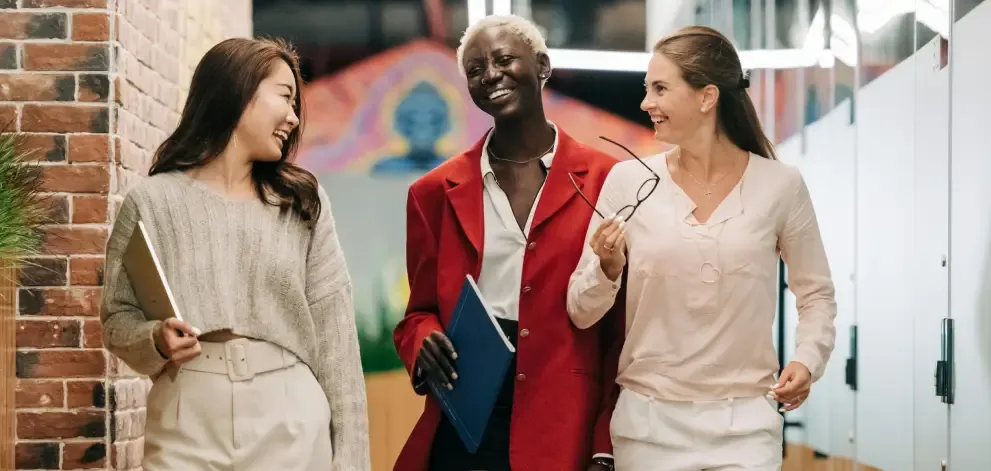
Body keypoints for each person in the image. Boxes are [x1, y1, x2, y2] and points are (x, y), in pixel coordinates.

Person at [567, 26, 837, 470]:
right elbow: (581, 309)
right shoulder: (627, 182)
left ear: (706, 97)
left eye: (659, 89)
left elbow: (816, 294)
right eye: (646, 88)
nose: (644, 103)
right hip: (647, 428)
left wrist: (808, 360)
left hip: (746, 428)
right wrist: (606, 269)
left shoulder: (780, 186)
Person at [99, 37, 370, 471]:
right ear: (239, 90)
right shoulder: (150, 203)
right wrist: (155, 339)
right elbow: (116, 320)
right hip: (185, 413)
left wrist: (353, 461)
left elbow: (338, 344)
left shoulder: (302, 203)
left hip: (291, 416)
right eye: (285, 96)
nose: (294, 117)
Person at [392, 14, 626, 471]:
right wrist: (422, 340)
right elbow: (417, 313)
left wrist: (605, 443)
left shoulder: (606, 180)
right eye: (476, 69)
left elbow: (620, 330)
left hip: (563, 421)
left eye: (503, 59)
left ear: (542, 65)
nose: (490, 75)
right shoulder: (433, 193)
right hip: (467, 413)